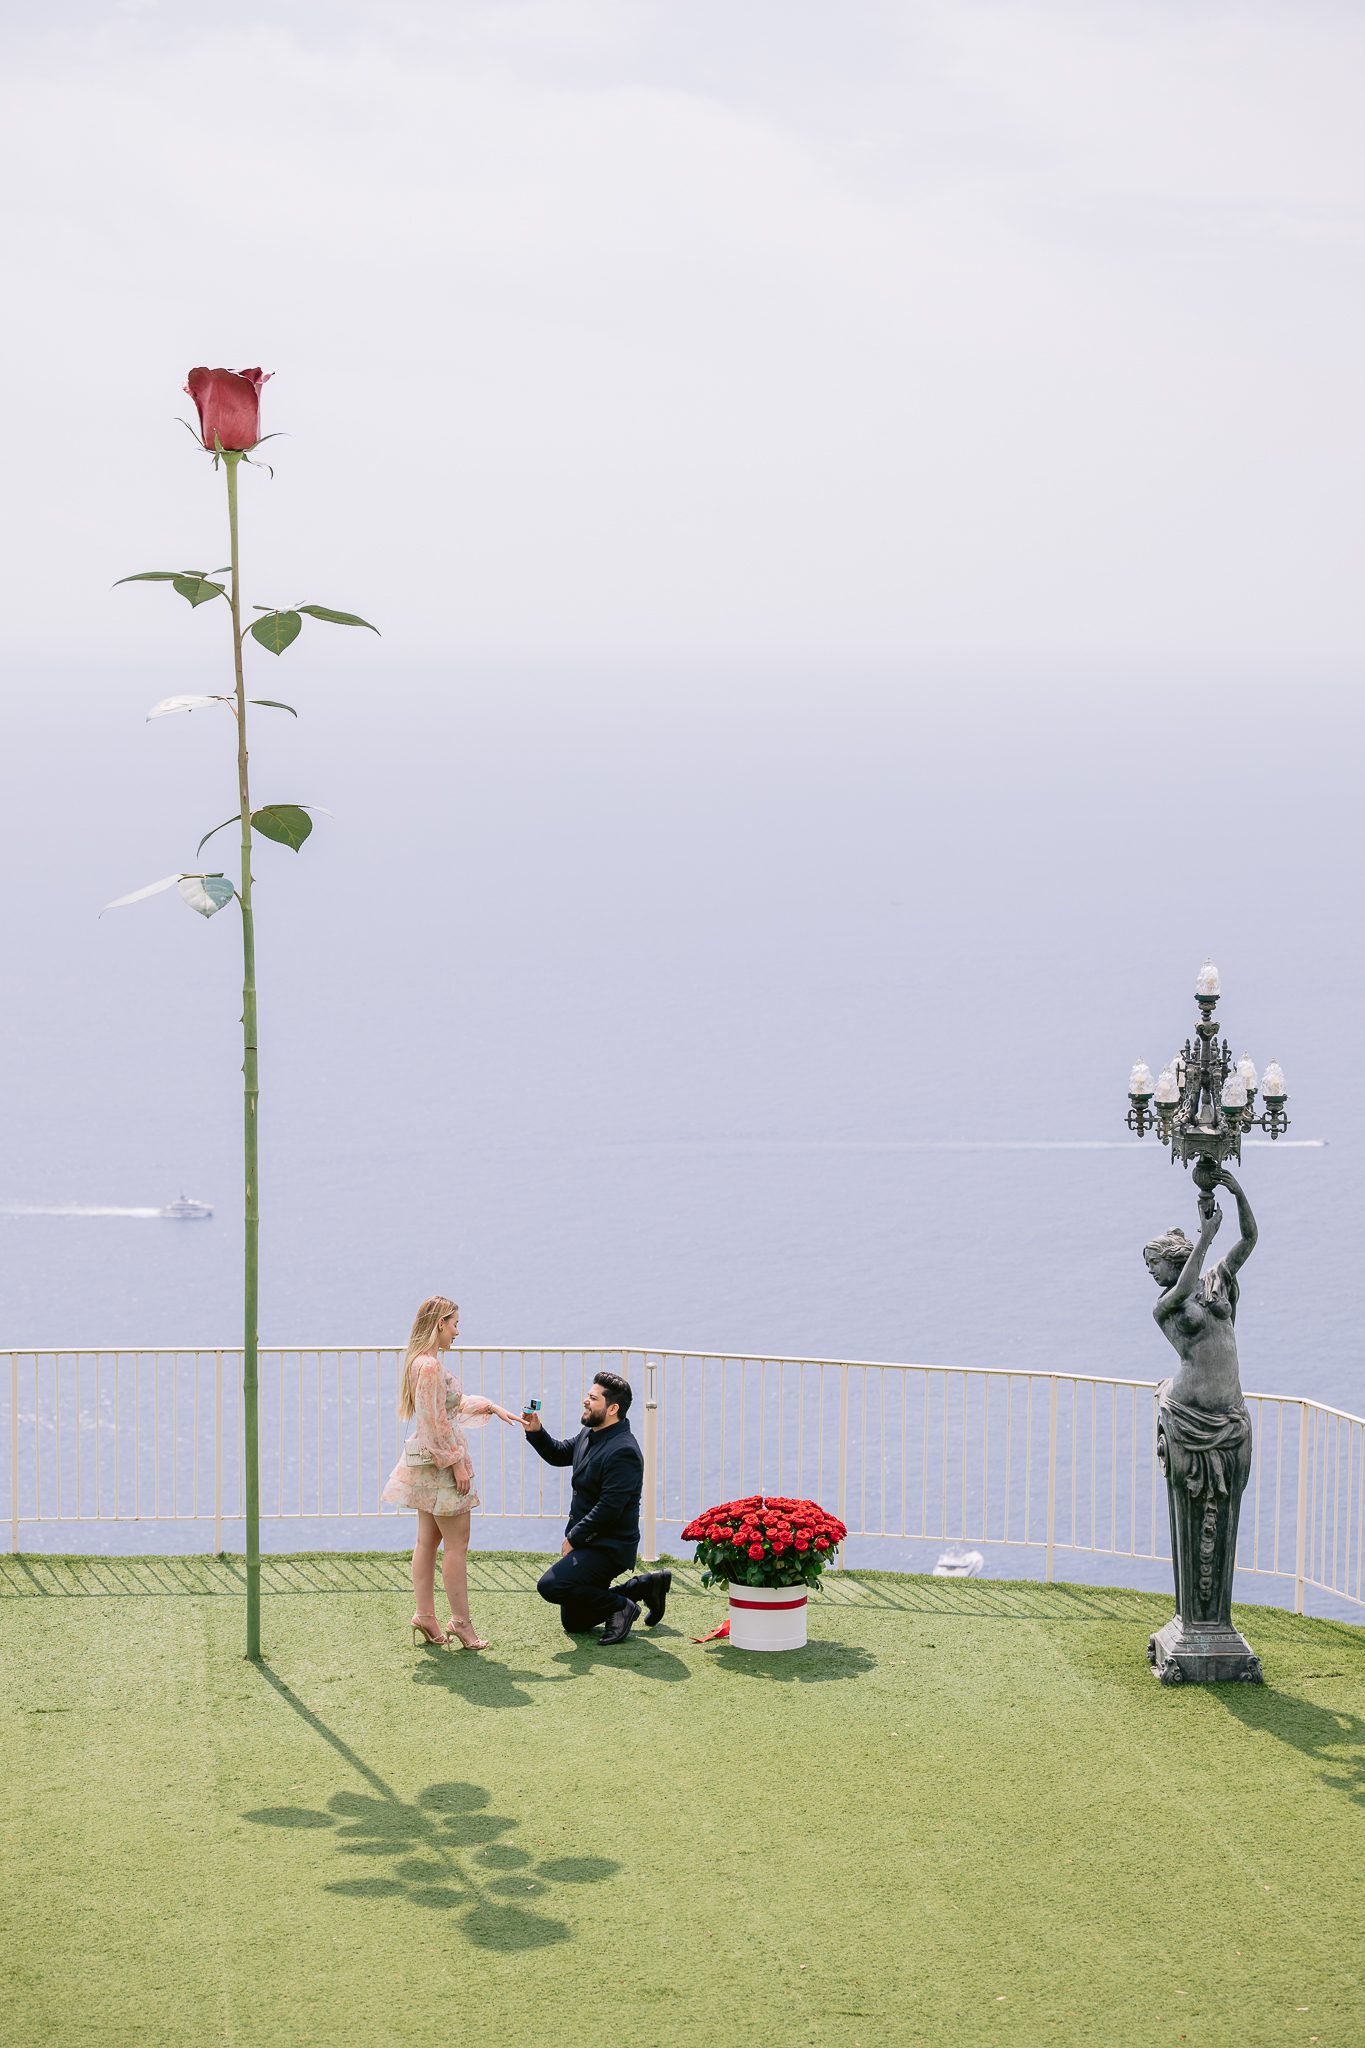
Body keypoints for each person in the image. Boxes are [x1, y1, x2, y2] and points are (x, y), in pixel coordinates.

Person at [381, 1296, 520, 1648]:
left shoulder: (421, 1363)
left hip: (427, 1465)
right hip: (441, 1467)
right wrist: (457, 1461)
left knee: (427, 1540)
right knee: (457, 1544)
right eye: (455, 1323)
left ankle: (425, 1616)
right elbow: (435, 1422)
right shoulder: (429, 1366)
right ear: (440, 1323)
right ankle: (460, 1622)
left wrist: (490, 1405)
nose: (457, 1331)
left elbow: (446, 1410)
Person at [520, 1371, 670, 1645]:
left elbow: (609, 1508)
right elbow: (560, 1453)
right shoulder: (591, 1431)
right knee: (576, 1623)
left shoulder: (624, 1451)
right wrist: (536, 1432)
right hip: (592, 1541)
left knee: (551, 1586)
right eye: (588, 1396)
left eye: (592, 1398)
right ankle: (643, 1587)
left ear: (613, 1409)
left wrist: (574, 1538)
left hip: (609, 1547)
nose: (585, 1402)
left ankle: (621, 1607)